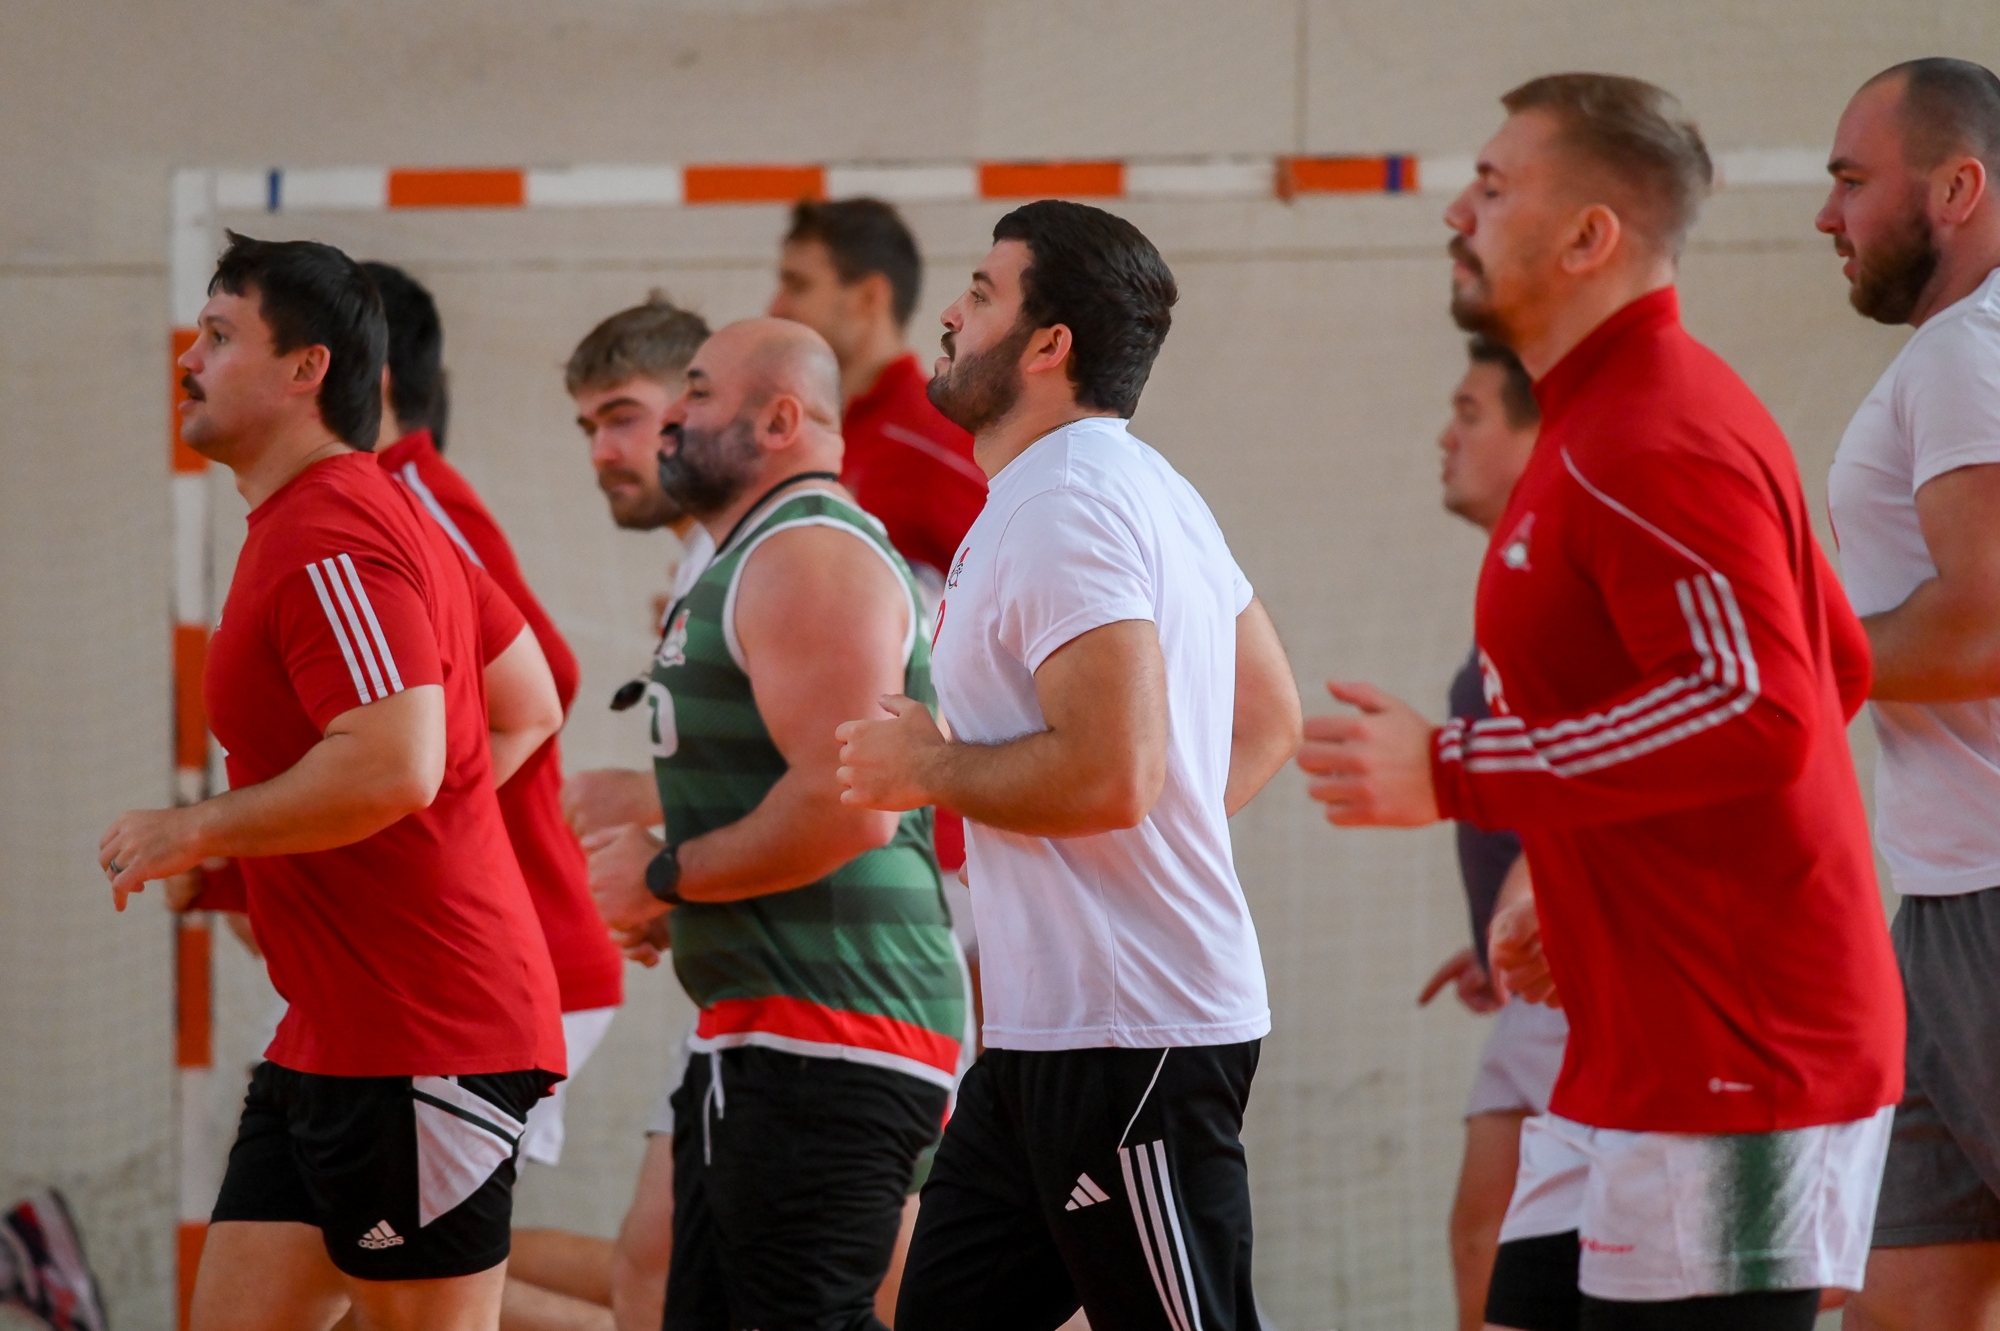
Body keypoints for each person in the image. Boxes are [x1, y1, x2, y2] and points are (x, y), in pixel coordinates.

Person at [1297, 75, 1902, 1331]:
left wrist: (1454, 769)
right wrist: (1565, 873)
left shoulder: (1654, 432)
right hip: (1628, 1049)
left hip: (1741, 1065)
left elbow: (1762, 704)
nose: (1454, 211)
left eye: (1491, 186)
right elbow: (1834, 663)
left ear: (1587, 237)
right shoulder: (1591, 425)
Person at [834, 199, 1304, 1331]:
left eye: (981, 292)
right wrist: (1156, 838)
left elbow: (1111, 776)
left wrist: (926, 767)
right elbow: (1265, 716)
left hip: (1130, 1034)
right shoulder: (1129, 486)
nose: (951, 314)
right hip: (1047, 1034)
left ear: (1049, 344)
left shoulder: (1065, 505)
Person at [98, 233, 566, 1331]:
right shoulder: (355, 517)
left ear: (306, 369)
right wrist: (365, 837)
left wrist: (200, 828)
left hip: (423, 1035)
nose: (188, 359)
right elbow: (524, 703)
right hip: (329, 1033)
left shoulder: (331, 528)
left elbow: (396, 760)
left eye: (220, 336)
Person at [585, 317, 968, 1331]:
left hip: (833, 1029)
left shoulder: (807, 551)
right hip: (774, 1026)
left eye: (698, 394)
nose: (673, 417)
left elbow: (852, 803)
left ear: (781, 421)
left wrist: (666, 874)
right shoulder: (759, 552)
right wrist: (683, 894)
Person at [363, 261, 628, 1331]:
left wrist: (421, 816)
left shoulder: (411, 496)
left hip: (511, 954)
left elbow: (546, 675)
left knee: (395, 1272)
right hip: (452, 958)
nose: (196, 361)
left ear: (365, 374)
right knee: (373, 1260)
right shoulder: (352, 509)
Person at [1817, 58, 2000, 1331]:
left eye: (1849, 180)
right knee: (1892, 1301)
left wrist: (1775, 666)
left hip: (1986, 896)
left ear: (1955, 187)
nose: (1825, 214)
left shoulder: (1961, 352)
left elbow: (1982, 626)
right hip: (1942, 903)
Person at [554, 293, 713, 1331]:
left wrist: (660, 848)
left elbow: (846, 773)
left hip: (846, 987)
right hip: (744, 975)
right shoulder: (701, 564)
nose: (602, 451)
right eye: (588, 427)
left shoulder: (786, 552)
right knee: (650, 1272)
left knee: (929, 1284)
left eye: (621, 416)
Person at [1409, 336, 1565, 1331]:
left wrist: (1531, 895)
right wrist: (1497, 932)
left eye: (1470, 413)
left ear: (1538, 434)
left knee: (1518, 1249)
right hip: (1541, 960)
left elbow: (1601, 764)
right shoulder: (1509, 580)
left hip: (1599, 969)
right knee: (1484, 1240)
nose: (1444, 435)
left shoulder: (1560, 573)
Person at [768, 197, 988, 877]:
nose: (776, 305)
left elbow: (1042, 609)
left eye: (798, 284)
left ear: (868, 297)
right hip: (846, 818)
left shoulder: (933, 444)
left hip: (942, 847)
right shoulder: (825, 440)